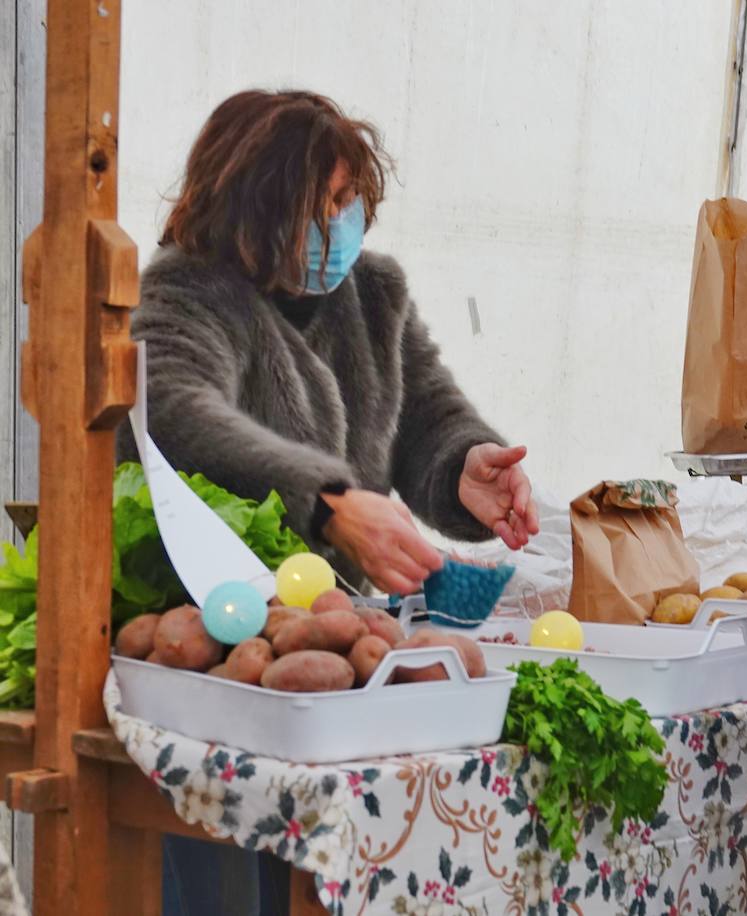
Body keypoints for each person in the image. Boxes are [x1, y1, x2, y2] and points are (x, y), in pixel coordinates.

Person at [116, 90, 540, 915]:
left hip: (344, 670)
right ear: (256, 203)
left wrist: (465, 466)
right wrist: (329, 501)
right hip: (216, 664)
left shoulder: (372, 296)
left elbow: (425, 415)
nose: (342, 225)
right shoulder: (184, 295)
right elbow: (171, 410)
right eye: (323, 204)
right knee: (225, 891)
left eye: (351, 203)